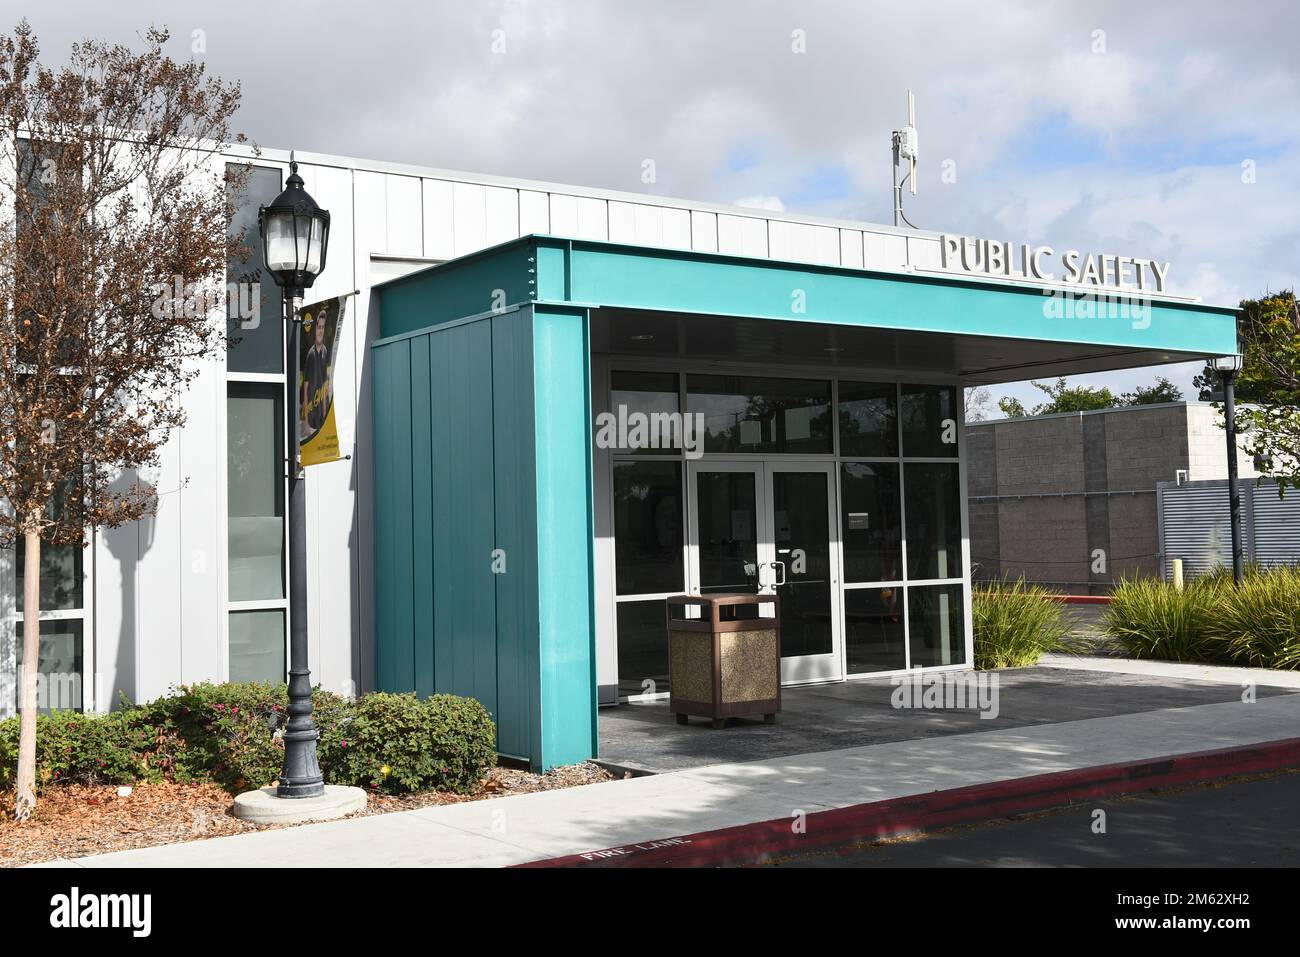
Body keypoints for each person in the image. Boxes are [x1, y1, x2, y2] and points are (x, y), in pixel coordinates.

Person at [302, 305, 331, 436]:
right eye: (319, 327)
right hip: (311, 422)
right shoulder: (311, 355)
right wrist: (306, 424)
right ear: (315, 329)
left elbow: (325, 386)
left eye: (323, 327)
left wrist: (325, 415)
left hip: (321, 420)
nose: (321, 330)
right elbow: (306, 389)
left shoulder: (325, 351)